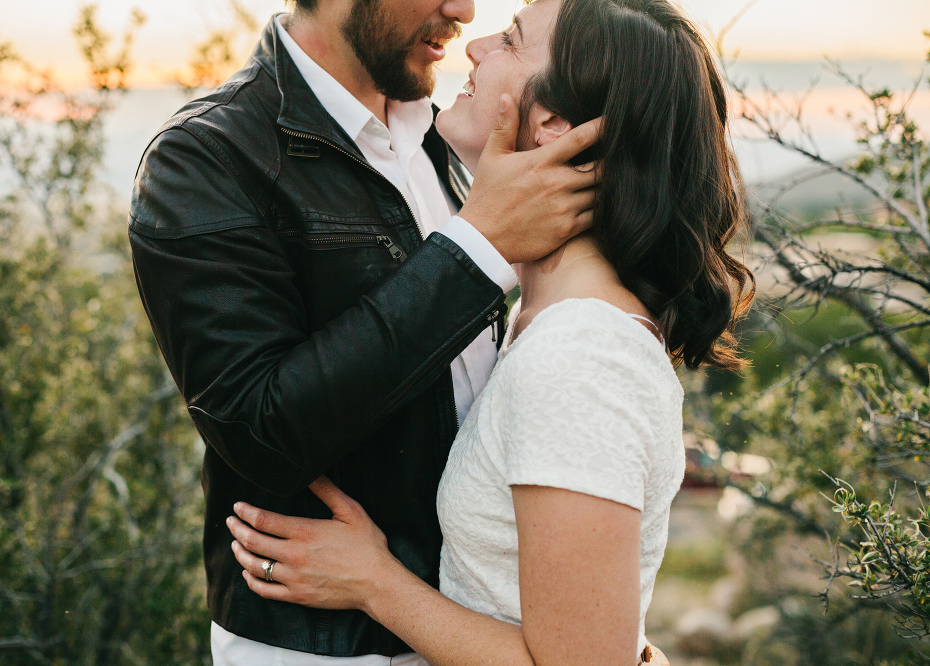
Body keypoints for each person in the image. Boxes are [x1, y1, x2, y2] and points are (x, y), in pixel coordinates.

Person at [225, 0, 755, 664]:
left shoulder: (578, 357)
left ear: (556, 125)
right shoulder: (548, 325)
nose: (475, 45)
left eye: (511, 39)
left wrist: (374, 583)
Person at [129, 0, 602, 662]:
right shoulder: (206, 159)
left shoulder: (445, 133)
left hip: (473, 624)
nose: (462, 10)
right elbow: (257, 428)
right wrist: (475, 249)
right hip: (330, 643)